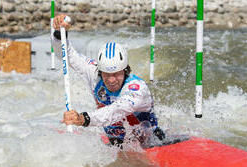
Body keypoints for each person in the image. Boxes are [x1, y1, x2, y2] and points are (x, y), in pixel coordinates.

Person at [52, 14, 165, 147]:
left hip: (149, 145)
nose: (111, 80)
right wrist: (60, 34)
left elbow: (116, 111)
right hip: (116, 145)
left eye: (116, 74)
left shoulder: (138, 89)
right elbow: (67, 55)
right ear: (100, 71)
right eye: (106, 74)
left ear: (125, 70)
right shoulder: (94, 73)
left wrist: (83, 119)